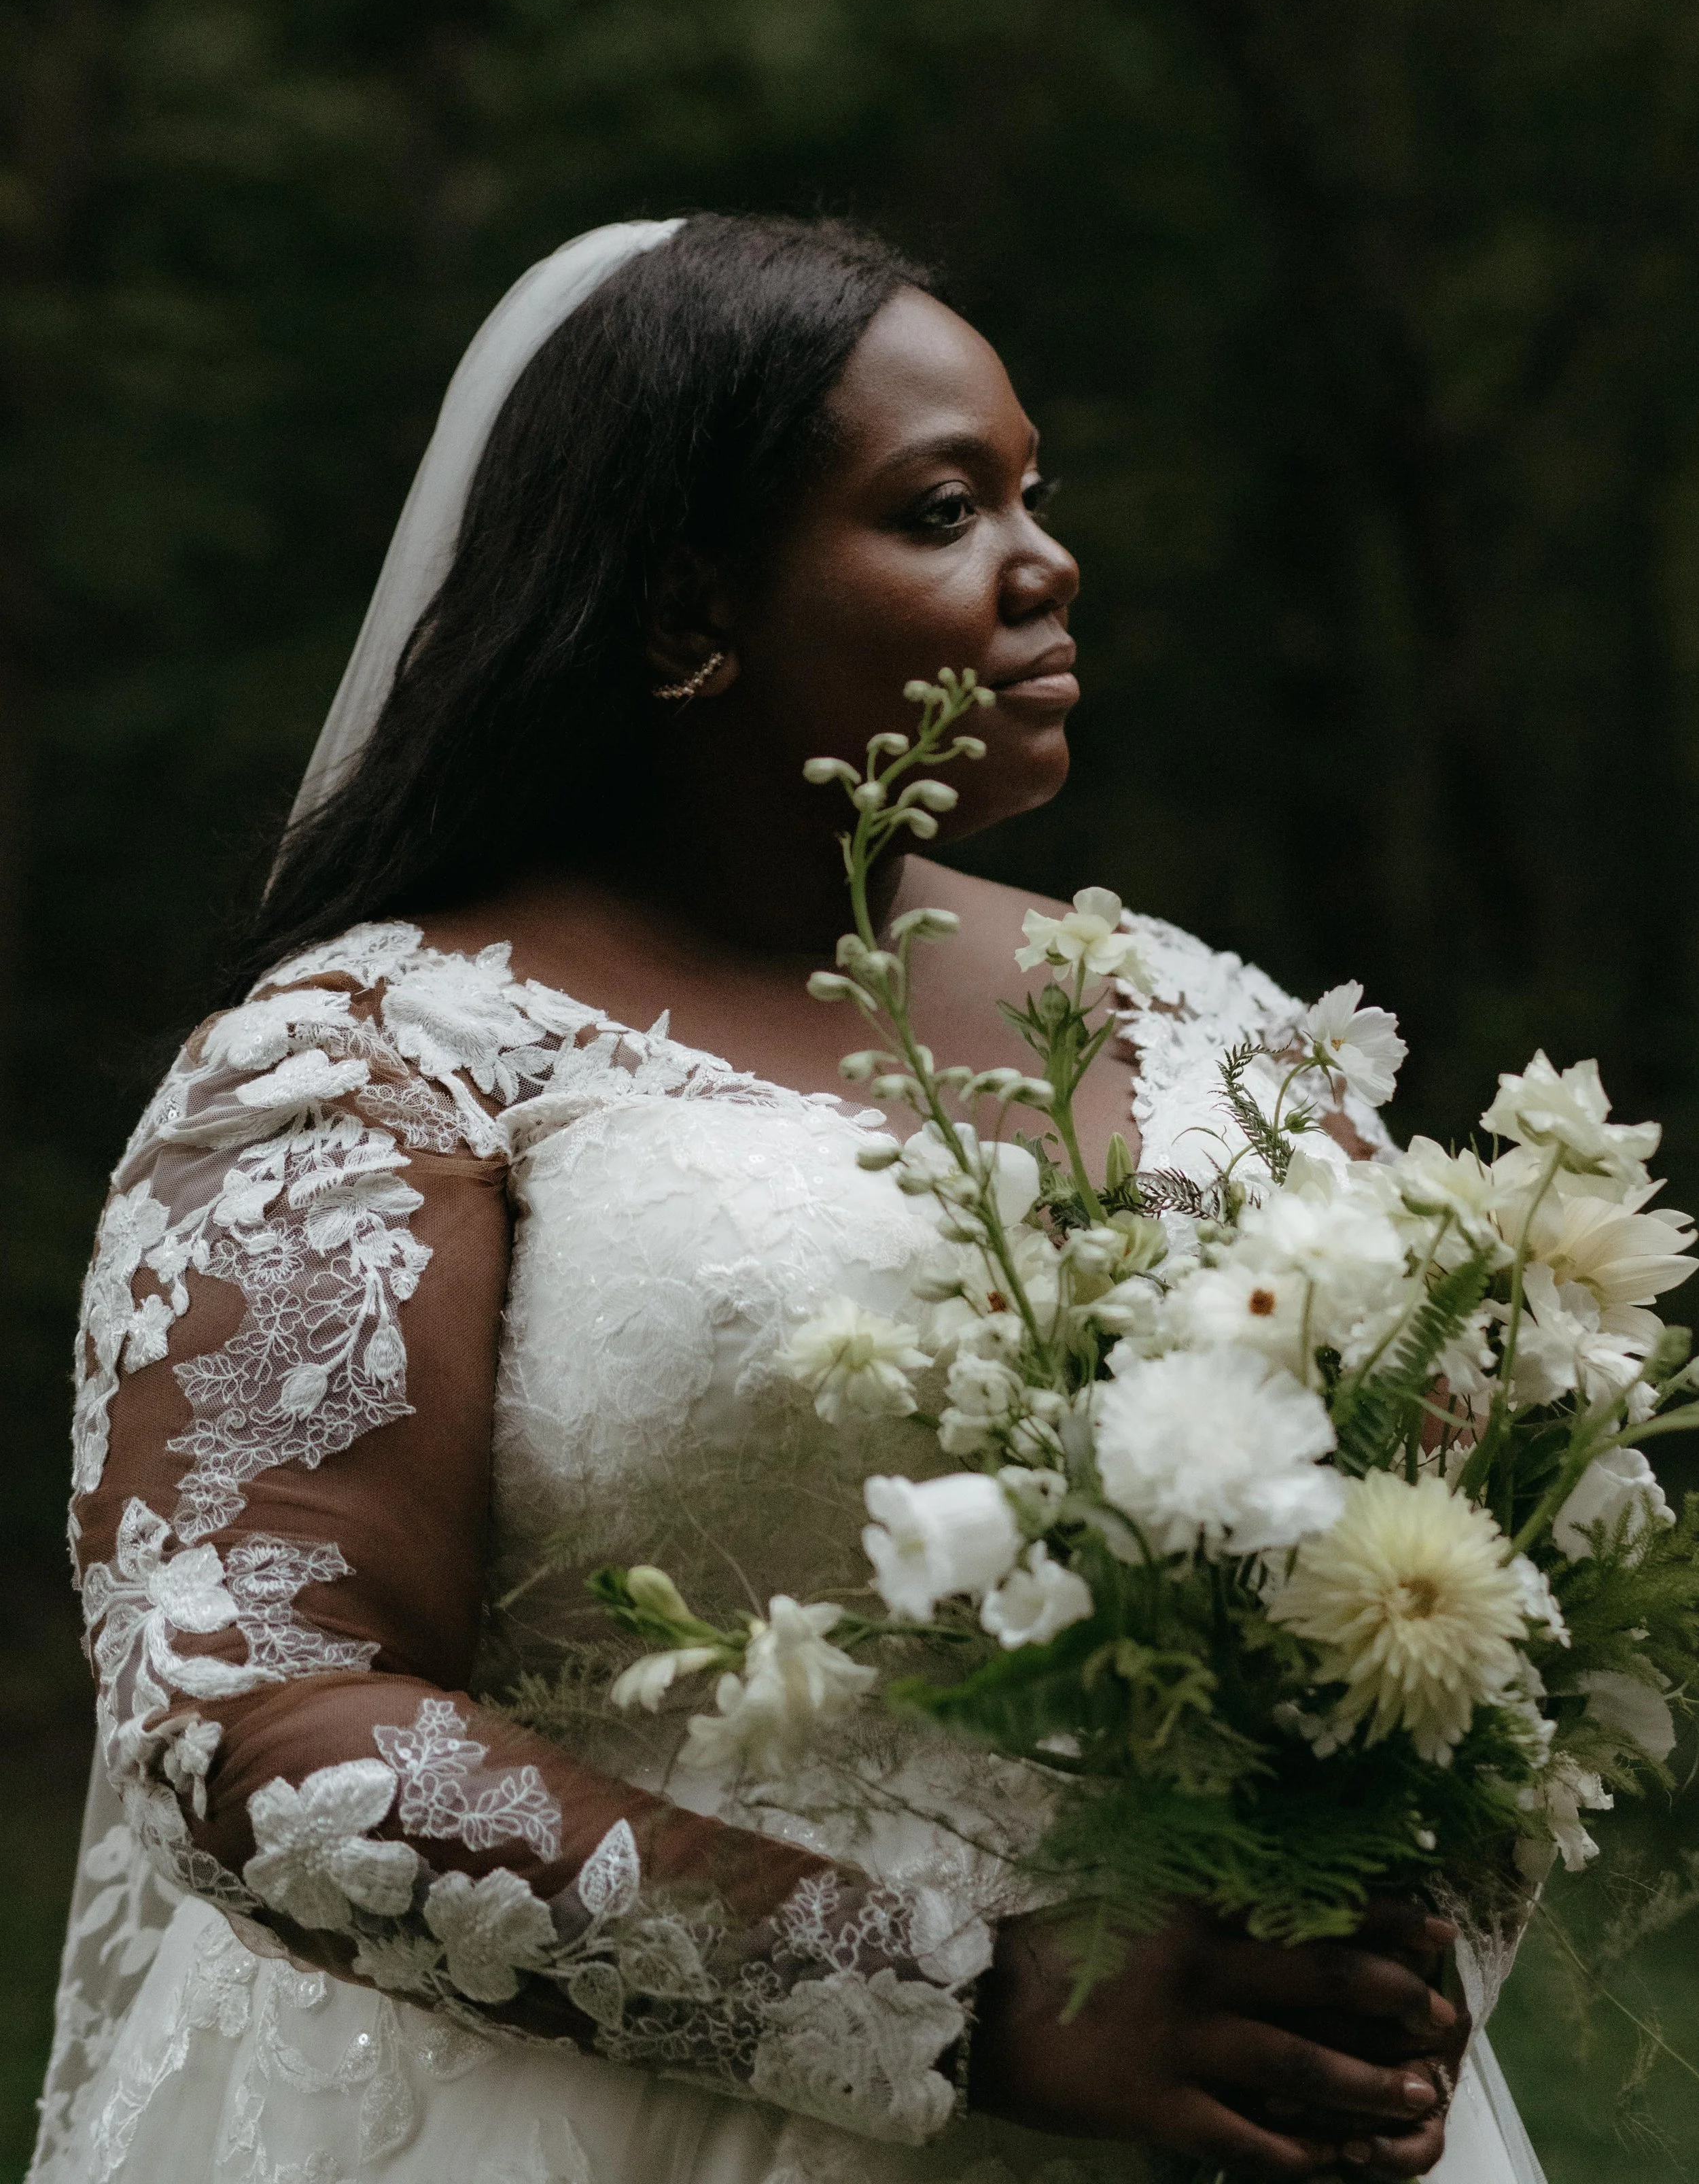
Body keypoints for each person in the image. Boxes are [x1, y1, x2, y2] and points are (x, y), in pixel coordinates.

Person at [33, 215, 1544, 2184]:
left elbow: (1471, 1562)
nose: (1043, 560)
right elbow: (252, 1721)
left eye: (1030, 493)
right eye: (937, 509)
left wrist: (1370, 1963)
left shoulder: (1205, 1022)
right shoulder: (371, 1069)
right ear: (683, 611)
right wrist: (959, 1998)